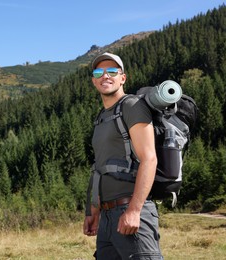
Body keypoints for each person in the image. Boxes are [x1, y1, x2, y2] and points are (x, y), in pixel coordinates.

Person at [83, 52, 163, 259]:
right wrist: (92, 211)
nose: (105, 76)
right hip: (107, 218)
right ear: (93, 80)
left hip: (131, 210)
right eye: (99, 72)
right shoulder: (101, 117)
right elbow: (99, 168)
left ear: (123, 78)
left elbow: (149, 158)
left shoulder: (132, 106)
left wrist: (134, 210)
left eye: (112, 71)